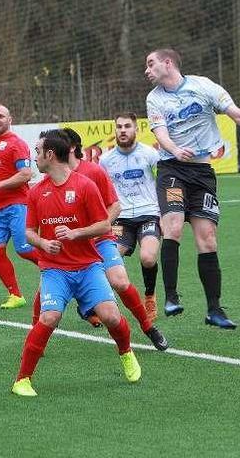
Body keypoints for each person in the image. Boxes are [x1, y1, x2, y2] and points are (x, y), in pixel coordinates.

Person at [144, 48, 240, 328]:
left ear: (168, 62)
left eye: (150, 64)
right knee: (172, 225)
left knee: (208, 239)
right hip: (172, 169)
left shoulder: (203, 86)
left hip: (202, 172)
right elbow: (160, 134)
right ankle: (171, 296)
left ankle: (214, 310)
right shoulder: (155, 98)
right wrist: (175, 149)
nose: (147, 70)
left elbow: (237, 115)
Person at [11, 130, 141, 397]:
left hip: (88, 267)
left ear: (50, 155)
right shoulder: (36, 192)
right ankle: (22, 380)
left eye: (37, 152)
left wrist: (76, 233)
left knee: (111, 317)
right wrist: (43, 244)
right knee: (49, 317)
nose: (34, 158)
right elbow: (29, 232)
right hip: (54, 269)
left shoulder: (84, 186)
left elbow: (105, 224)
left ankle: (126, 352)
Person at [59, 128, 168, 350]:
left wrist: (99, 228)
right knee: (49, 287)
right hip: (72, 245)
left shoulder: (94, 171)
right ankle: (36, 343)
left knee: (119, 281)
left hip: (100, 239)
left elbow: (115, 205)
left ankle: (149, 328)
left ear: (71, 147)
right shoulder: (52, 178)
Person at [99, 113, 161, 322]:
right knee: (109, 260)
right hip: (121, 219)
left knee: (148, 257)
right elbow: (99, 191)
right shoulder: (105, 160)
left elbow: (165, 181)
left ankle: (150, 296)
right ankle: (104, 304)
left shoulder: (150, 154)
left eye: (127, 126)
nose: (123, 130)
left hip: (148, 214)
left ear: (136, 129)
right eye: (119, 127)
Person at [0, 105, 41, 308]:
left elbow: (26, 174)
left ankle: (59, 270)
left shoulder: (17, 144)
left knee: (24, 250)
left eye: (1, 116)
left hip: (18, 205)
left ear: (9, 119)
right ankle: (15, 296)